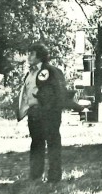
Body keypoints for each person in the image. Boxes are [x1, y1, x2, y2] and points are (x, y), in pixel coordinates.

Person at [17, 43, 66, 183]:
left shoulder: (49, 71)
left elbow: (54, 93)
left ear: (40, 56)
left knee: (52, 143)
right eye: (28, 53)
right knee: (36, 143)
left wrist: (46, 109)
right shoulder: (30, 72)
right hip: (33, 113)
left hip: (48, 113)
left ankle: (54, 176)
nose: (28, 57)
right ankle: (35, 175)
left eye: (32, 54)